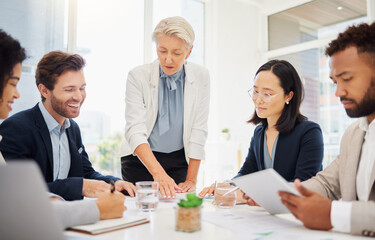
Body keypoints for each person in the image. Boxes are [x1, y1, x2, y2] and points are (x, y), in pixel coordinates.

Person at [0, 29, 126, 229]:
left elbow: (86, 173)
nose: (79, 96)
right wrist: (81, 186)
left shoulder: (72, 128)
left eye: (82, 88)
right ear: (44, 90)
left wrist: (113, 183)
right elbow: (21, 196)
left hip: (72, 225)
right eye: (69, 89)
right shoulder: (16, 129)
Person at [279, 22, 375, 237]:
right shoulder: (354, 133)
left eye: (348, 78)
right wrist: (284, 195)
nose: (338, 92)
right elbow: (327, 183)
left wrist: (332, 214)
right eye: (334, 82)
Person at [199, 60, 323, 198]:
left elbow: (303, 185)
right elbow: (247, 172)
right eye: (256, 91)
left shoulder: (309, 132)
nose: (258, 100)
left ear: (289, 95)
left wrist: (253, 195)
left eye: (267, 94)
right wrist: (226, 186)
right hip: (266, 212)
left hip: (296, 214)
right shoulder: (260, 132)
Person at [120, 16, 210, 198]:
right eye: (162, 51)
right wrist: (158, 174)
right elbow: (135, 130)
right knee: (141, 212)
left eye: (177, 53)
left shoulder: (201, 76)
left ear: (189, 51)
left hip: (179, 160)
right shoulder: (137, 76)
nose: (168, 59)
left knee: (176, 212)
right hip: (140, 159)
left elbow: (198, 130)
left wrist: (192, 180)